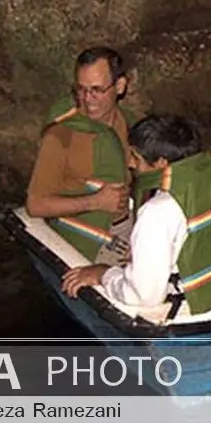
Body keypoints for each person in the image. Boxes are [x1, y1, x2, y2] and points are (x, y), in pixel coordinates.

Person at [61, 114, 211, 315]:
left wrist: (103, 274)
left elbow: (144, 297)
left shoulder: (157, 211)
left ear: (161, 163)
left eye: (135, 157)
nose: (129, 163)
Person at [26, 46, 136, 266]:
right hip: (88, 240)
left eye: (97, 89)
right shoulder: (61, 136)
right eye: (81, 89)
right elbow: (35, 205)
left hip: (125, 229)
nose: (88, 99)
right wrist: (95, 201)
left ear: (120, 86)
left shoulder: (124, 122)